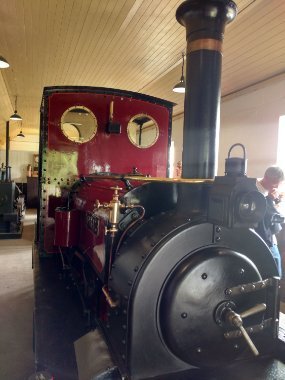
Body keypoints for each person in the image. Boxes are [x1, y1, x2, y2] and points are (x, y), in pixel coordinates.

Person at [256, 166, 284, 277]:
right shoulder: (256, 191)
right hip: (264, 238)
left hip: (269, 236)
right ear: (266, 178)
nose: (277, 187)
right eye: (274, 183)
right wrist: (270, 200)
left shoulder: (268, 191)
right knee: (275, 272)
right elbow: (262, 215)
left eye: (279, 184)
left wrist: (275, 201)